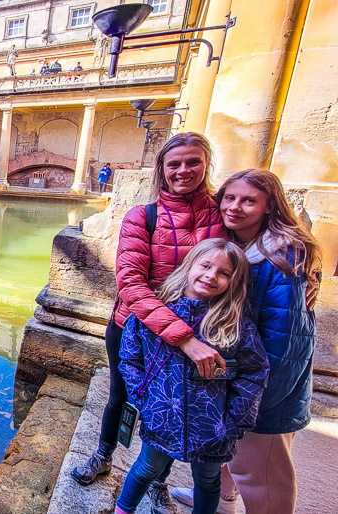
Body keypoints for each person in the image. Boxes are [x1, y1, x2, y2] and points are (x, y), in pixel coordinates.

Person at [71, 133, 228, 514]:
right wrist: (183, 337)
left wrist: (305, 271)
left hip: (198, 331)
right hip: (134, 328)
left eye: (193, 162)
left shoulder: (223, 218)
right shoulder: (143, 217)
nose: (183, 171)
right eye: (174, 164)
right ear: (161, 169)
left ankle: (158, 481)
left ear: (207, 165)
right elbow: (130, 284)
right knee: (118, 395)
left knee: (175, 408)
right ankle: (103, 455)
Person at [171, 169, 322, 514]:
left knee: (264, 474)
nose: (235, 207)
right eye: (229, 198)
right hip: (244, 376)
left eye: (249, 200)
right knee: (232, 455)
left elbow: (287, 340)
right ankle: (223, 501)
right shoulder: (244, 246)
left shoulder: (282, 257)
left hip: (269, 389)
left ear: (270, 207)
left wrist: (257, 398)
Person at [116, 239, 270, 514]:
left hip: (213, 425)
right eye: (206, 265)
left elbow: (254, 372)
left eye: (224, 273)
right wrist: (141, 395)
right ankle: (123, 510)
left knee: (208, 481)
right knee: (146, 467)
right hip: (161, 414)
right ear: (190, 265)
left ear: (234, 282)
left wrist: (234, 421)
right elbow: (130, 354)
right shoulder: (157, 310)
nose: (211, 275)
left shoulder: (234, 324)